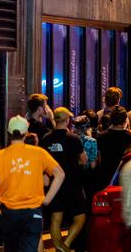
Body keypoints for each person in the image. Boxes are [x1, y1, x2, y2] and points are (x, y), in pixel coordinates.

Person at [0, 116, 65, 252]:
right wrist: (47, 199)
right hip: (33, 212)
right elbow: (60, 174)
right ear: (26, 133)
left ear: (8, 133)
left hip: (9, 213)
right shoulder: (39, 153)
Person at [40, 107, 88, 252]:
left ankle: (59, 246)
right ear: (67, 120)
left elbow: (43, 162)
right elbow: (84, 160)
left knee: (56, 218)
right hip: (72, 184)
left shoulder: (46, 138)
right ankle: (65, 245)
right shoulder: (73, 138)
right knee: (80, 218)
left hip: (54, 184)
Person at [97, 106, 131, 189]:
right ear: (125, 120)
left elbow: (99, 159)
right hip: (125, 176)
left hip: (105, 176)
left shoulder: (101, 136)